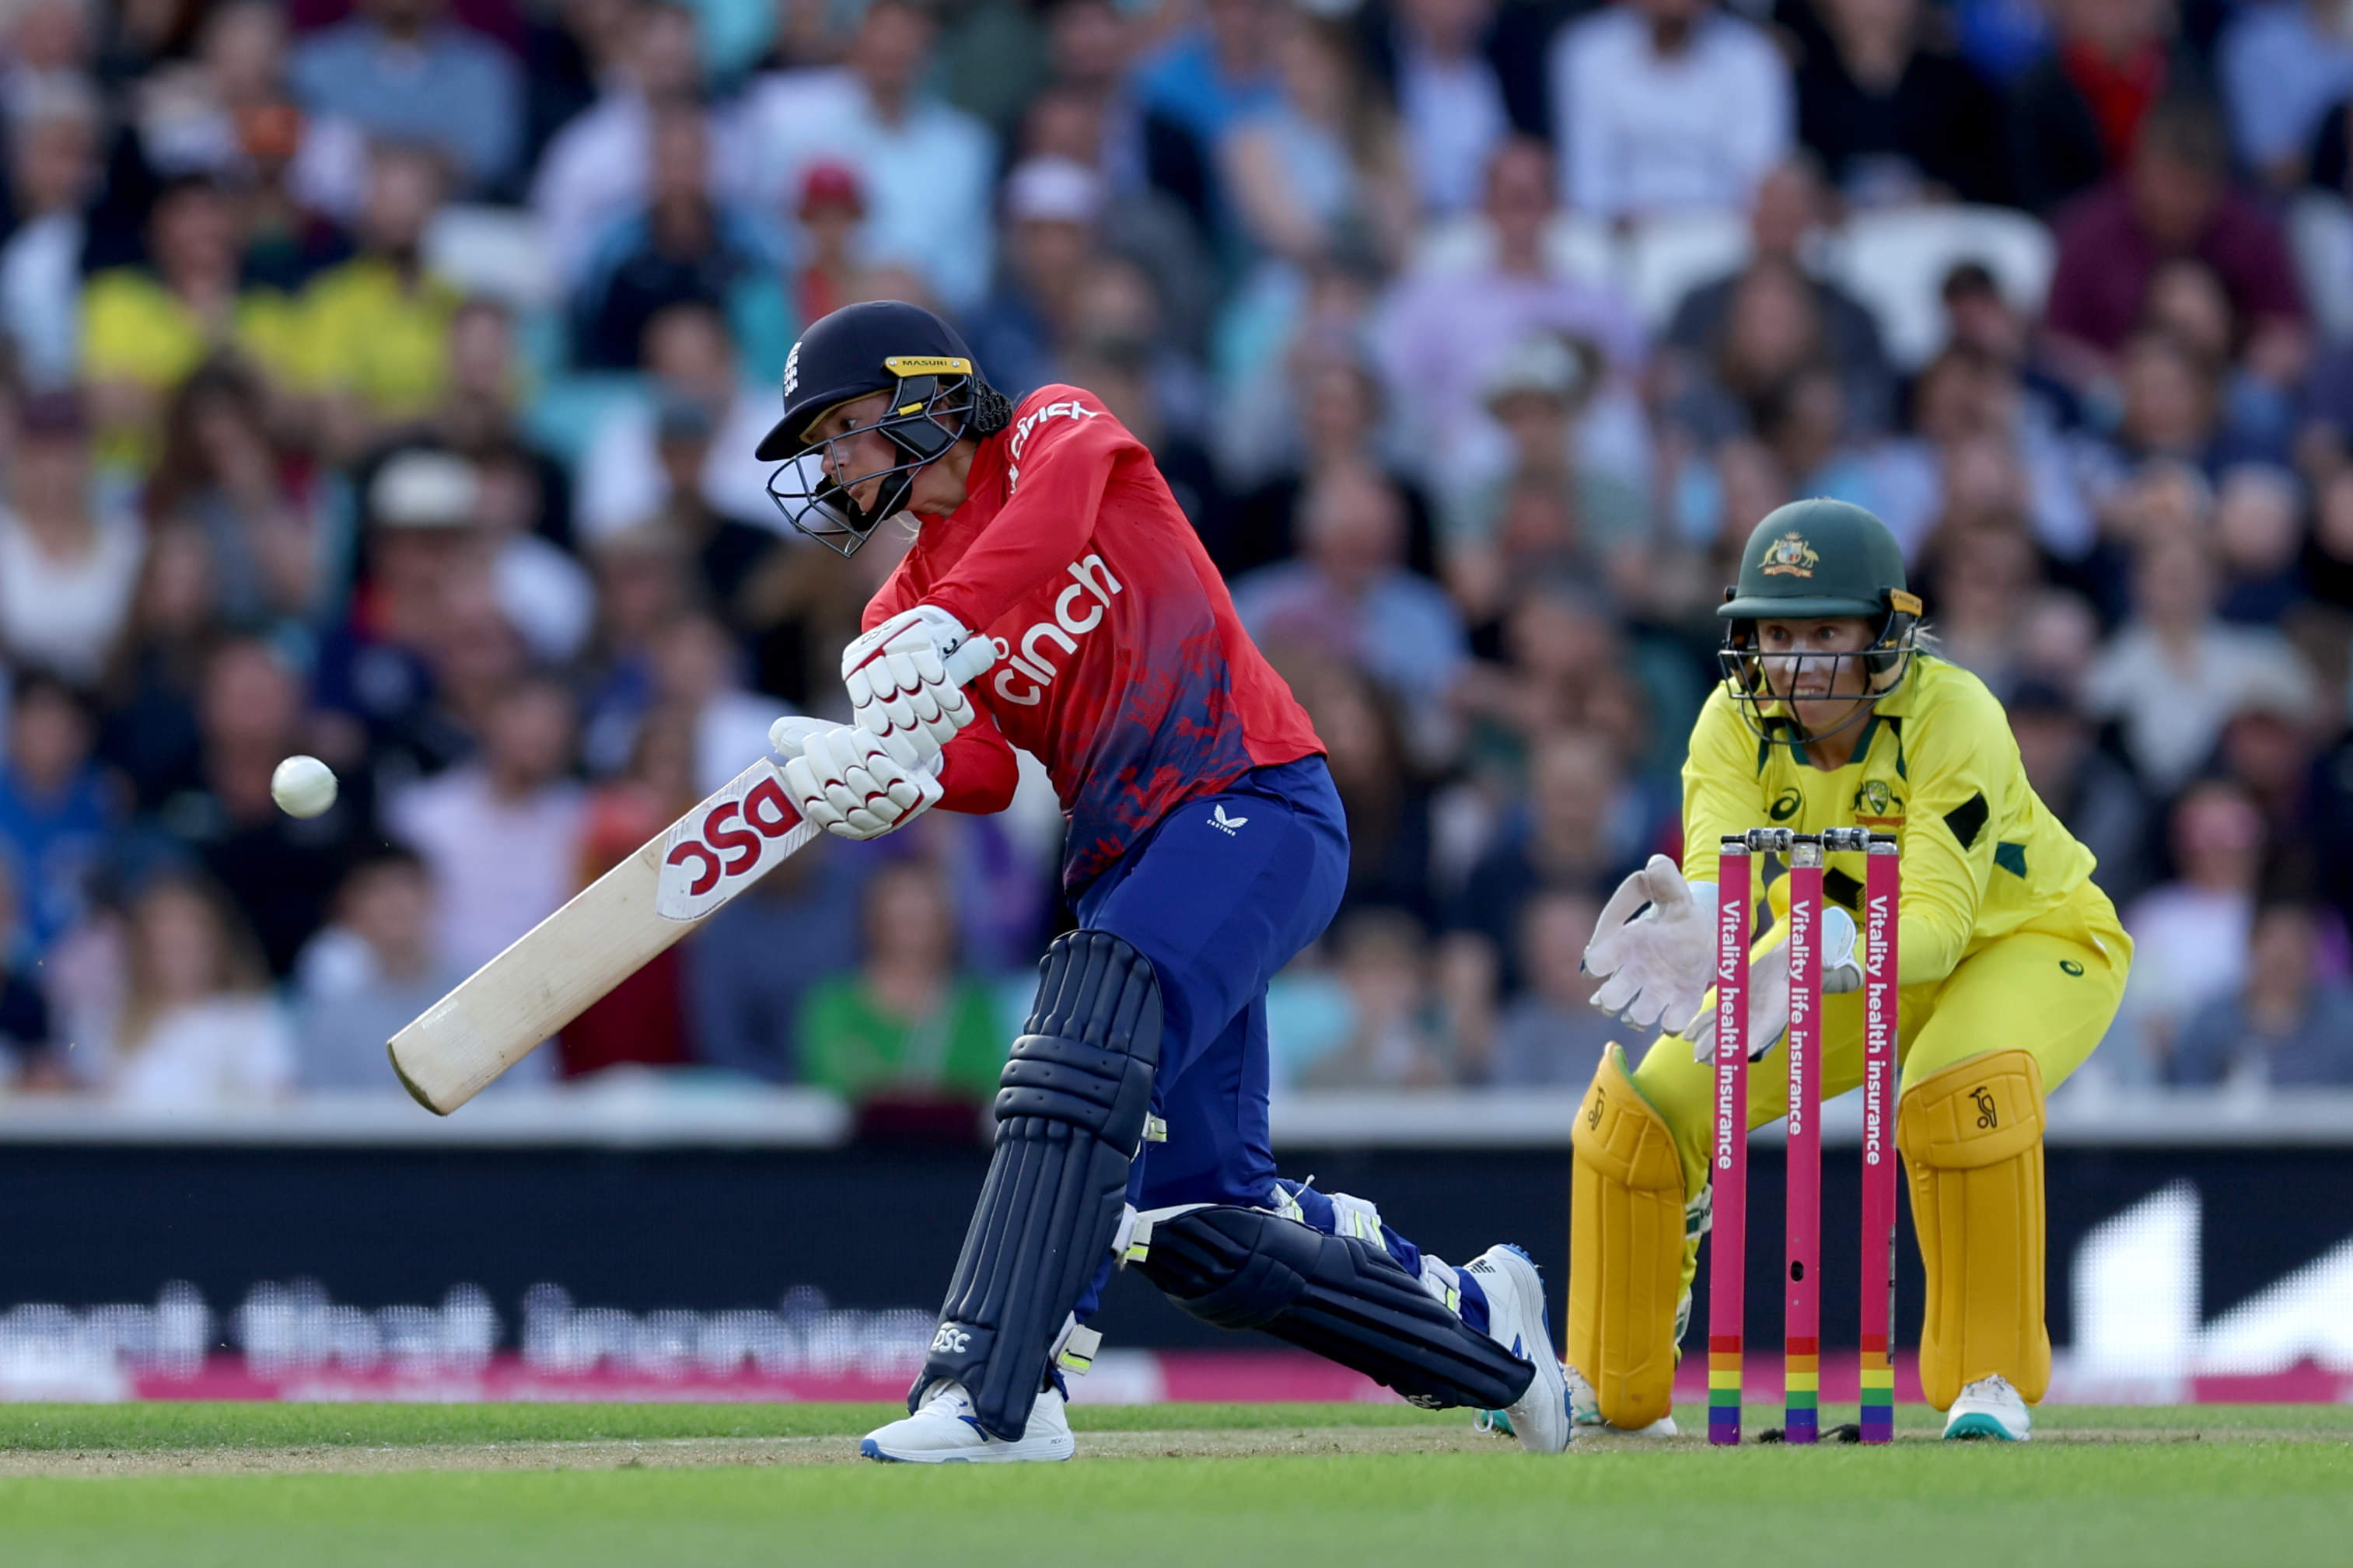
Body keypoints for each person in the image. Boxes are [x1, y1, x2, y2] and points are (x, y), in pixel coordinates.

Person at [755, 299, 1571, 1460]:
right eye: (818, 446)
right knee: (1205, 1227)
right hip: (1136, 859)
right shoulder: (898, 604)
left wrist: (949, 626)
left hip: (1258, 797)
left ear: (926, 395)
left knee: (1088, 1023)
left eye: (844, 427)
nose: (833, 464)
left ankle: (1000, 1393)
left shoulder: (1051, 427)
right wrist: (893, 777)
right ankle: (1491, 1332)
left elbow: (1046, 520)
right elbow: (986, 769)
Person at [1566, 498, 2134, 1443]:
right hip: (1817, 957)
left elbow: (1940, 930)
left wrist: (1841, 946)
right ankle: (1612, 1383)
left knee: (1953, 1088)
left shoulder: (1956, 716)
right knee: (1650, 1109)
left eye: (1825, 630)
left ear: (1886, 633)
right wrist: (1710, 923)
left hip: (2028, 943)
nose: (1797, 661)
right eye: (1775, 633)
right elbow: (1716, 879)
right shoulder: (1726, 724)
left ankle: (1984, 1380)